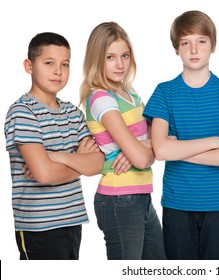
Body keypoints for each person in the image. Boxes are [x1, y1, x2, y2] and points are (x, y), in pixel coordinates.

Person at [143, 10, 219, 260]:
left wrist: (179, 149)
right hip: (177, 203)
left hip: (218, 204)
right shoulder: (164, 93)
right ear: (176, 49)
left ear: (212, 46)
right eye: (185, 43)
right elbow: (160, 151)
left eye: (201, 41)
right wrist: (214, 142)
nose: (194, 49)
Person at [4, 32, 104, 260]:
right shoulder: (22, 112)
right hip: (38, 227)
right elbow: (44, 174)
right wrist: (79, 160)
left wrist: (56, 156)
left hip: (72, 221)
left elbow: (98, 163)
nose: (58, 71)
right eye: (49, 63)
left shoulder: (73, 113)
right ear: (29, 66)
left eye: (65, 64)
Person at [79, 21, 166, 260]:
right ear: (96, 59)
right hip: (119, 199)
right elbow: (145, 156)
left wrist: (141, 148)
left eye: (125, 55)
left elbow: (166, 139)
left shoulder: (131, 93)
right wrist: (143, 149)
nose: (120, 64)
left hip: (141, 197)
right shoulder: (101, 98)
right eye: (110, 57)